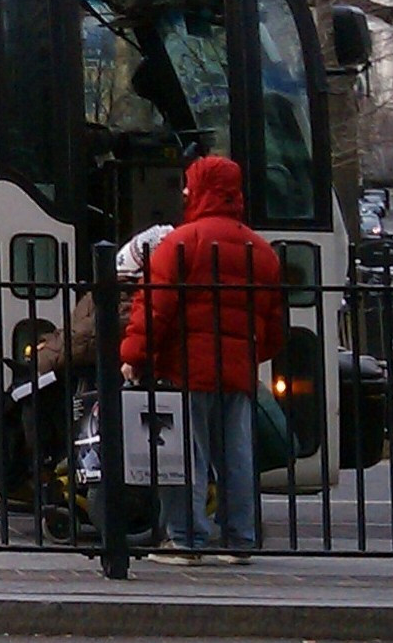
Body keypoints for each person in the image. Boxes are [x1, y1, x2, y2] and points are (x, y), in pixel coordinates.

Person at [119, 154, 285, 566]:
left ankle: (186, 539)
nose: (186, 192)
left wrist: (134, 356)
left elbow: (154, 309)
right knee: (237, 457)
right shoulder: (261, 251)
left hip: (185, 369)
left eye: (189, 185)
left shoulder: (181, 243)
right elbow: (273, 326)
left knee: (183, 457)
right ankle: (239, 539)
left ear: (201, 191)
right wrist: (248, 356)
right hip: (237, 372)